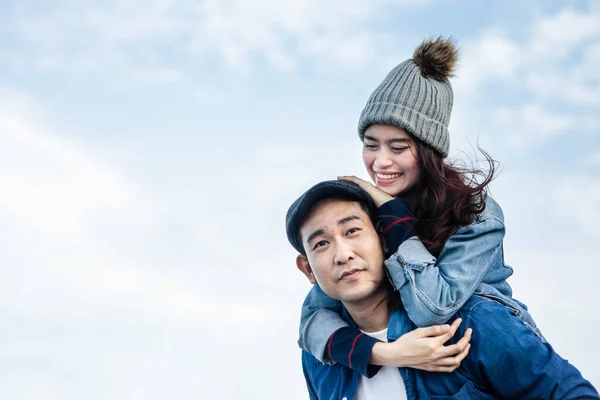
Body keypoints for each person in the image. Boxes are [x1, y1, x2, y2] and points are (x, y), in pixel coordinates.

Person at [298, 36, 543, 376]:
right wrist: (386, 354)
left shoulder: (475, 213)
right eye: (371, 145)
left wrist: (389, 210)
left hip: (495, 365)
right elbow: (312, 321)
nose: (380, 162)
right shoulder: (362, 215)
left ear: (428, 151)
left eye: (398, 148)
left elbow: (434, 307)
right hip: (418, 371)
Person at [286, 179, 598, 399]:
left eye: (352, 231)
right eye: (322, 243)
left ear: (383, 239)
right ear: (307, 268)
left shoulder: (469, 322)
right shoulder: (320, 357)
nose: (343, 254)